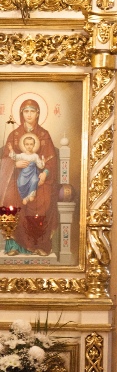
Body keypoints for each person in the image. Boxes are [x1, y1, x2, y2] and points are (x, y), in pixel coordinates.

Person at [0, 98, 58, 256]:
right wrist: (14, 164)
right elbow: (5, 160)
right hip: (16, 178)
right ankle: (13, 245)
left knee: (43, 200)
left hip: (38, 180)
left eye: (32, 111)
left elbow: (51, 162)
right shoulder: (14, 134)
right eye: (26, 111)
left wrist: (45, 174)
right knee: (10, 199)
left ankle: (39, 244)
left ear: (38, 113)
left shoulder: (44, 135)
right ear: (21, 113)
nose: (29, 114)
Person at [8, 136, 49, 205]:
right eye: (27, 144)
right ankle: (25, 197)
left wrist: (43, 162)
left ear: (34, 145)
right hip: (24, 174)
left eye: (31, 144)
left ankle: (30, 196)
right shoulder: (22, 155)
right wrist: (11, 149)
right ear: (24, 145)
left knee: (35, 180)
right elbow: (14, 157)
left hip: (32, 173)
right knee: (21, 183)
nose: (29, 146)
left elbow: (40, 166)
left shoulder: (35, 156)